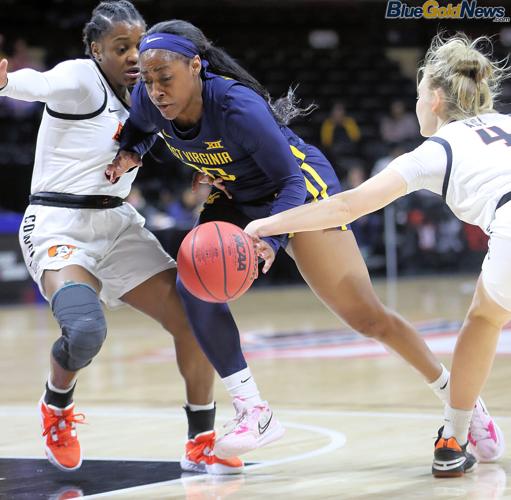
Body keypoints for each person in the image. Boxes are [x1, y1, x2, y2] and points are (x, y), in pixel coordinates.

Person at [105, 22, 503, 463]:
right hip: (237, 195)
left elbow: (289, 180)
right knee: (194, 281)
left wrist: (270, 243)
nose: (156, 89)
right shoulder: (147, 98)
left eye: (166, 78)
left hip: (297, 190)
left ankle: (460, 398)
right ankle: (253, 409)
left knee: (368, 319)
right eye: (148, 78)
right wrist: (131, 151)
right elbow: (140, 127)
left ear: (196, 66)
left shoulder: (237, 106)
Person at [244, 33, 510, 477]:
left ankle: (453, 438)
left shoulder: (436, 150)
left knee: (484, 320)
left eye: (419, 93)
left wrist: (268, 225)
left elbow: (346, 206)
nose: (417, 103)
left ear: (437, 98)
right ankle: (456, 435)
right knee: (485, 313)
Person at [0, 1, 242, 475]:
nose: (134, 55)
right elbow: (41, 84)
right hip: (58, 222)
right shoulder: (79, 77)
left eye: (138, 44)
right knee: (86, 329)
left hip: (117, 225)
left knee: (196, 319)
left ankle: (202, 442)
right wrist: (7, 82)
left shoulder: (149, 92)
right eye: (121, 47)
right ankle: (57, 406)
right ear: (96, 50)